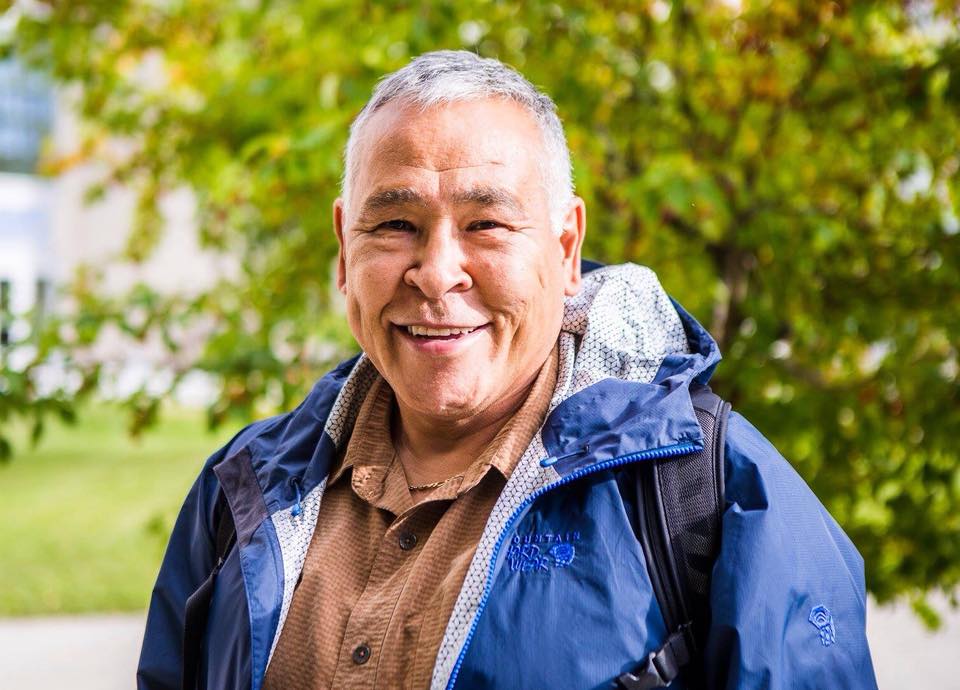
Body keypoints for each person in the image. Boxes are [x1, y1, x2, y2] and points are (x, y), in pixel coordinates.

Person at [137, 50, 877, 690]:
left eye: (486, 224)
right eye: (395, 224)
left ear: (565, 247)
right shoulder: (242, 492)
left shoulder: (715, 494)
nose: (436, 274)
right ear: (343, 246)